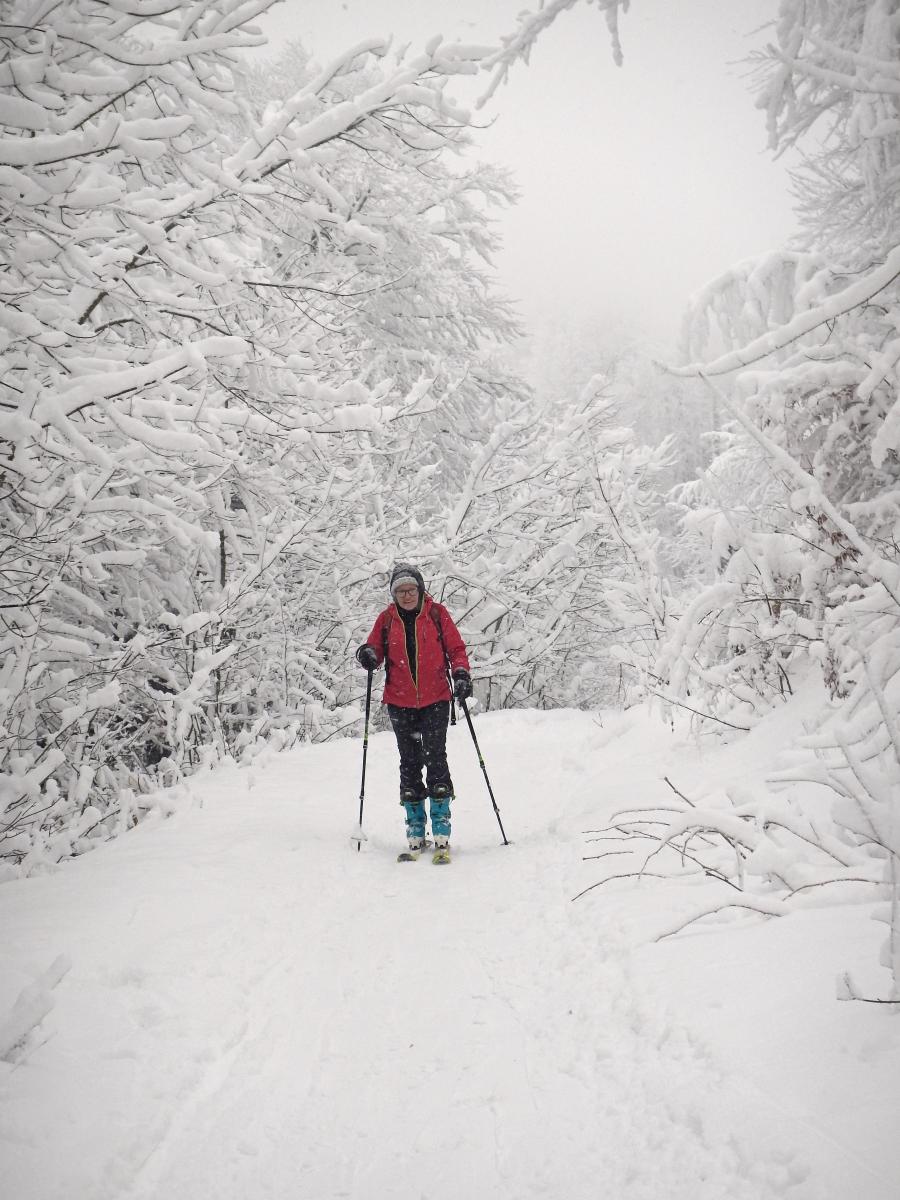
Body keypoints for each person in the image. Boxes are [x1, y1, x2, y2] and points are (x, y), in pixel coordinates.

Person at [355, 563, 472, 858]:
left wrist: (460, 673)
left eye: (411, 589)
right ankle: (415, 827)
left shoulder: (436, 614)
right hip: (399, 701)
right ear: (394, 594)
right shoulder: (386, 620)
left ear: (421, 590)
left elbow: (456, 649)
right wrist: (367, 654)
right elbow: (374, 649)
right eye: (400, 591)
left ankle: (441, 825)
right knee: (408, 762)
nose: (406, 595)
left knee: (436, 758)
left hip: (435, 699)